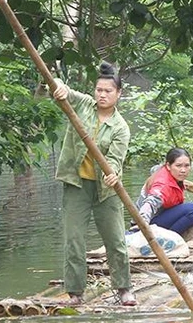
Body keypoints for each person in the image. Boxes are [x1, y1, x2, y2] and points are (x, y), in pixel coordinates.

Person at [52, 62, 136, 307]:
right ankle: (75, 292)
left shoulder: (121, 127)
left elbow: (115, 160)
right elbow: (63, 90)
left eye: (108, 91)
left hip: (105, 190)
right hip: (76, 183)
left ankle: (123, 289)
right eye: (99, 89)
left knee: (116, 241)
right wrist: (57, 87)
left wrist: (113, 175)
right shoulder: (84, 105)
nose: (102, 94)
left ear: (118, 94)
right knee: (74, 239)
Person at [133, 148, 193, 236]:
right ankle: (169, 239)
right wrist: (143, 222)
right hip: (145, 224)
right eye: (179, 166)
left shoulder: (173, 177)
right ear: (168, 166)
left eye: (187, 166)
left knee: (188, 208)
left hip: (156, 219)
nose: (183, 170)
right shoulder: (162, 183)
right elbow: (151, 202)